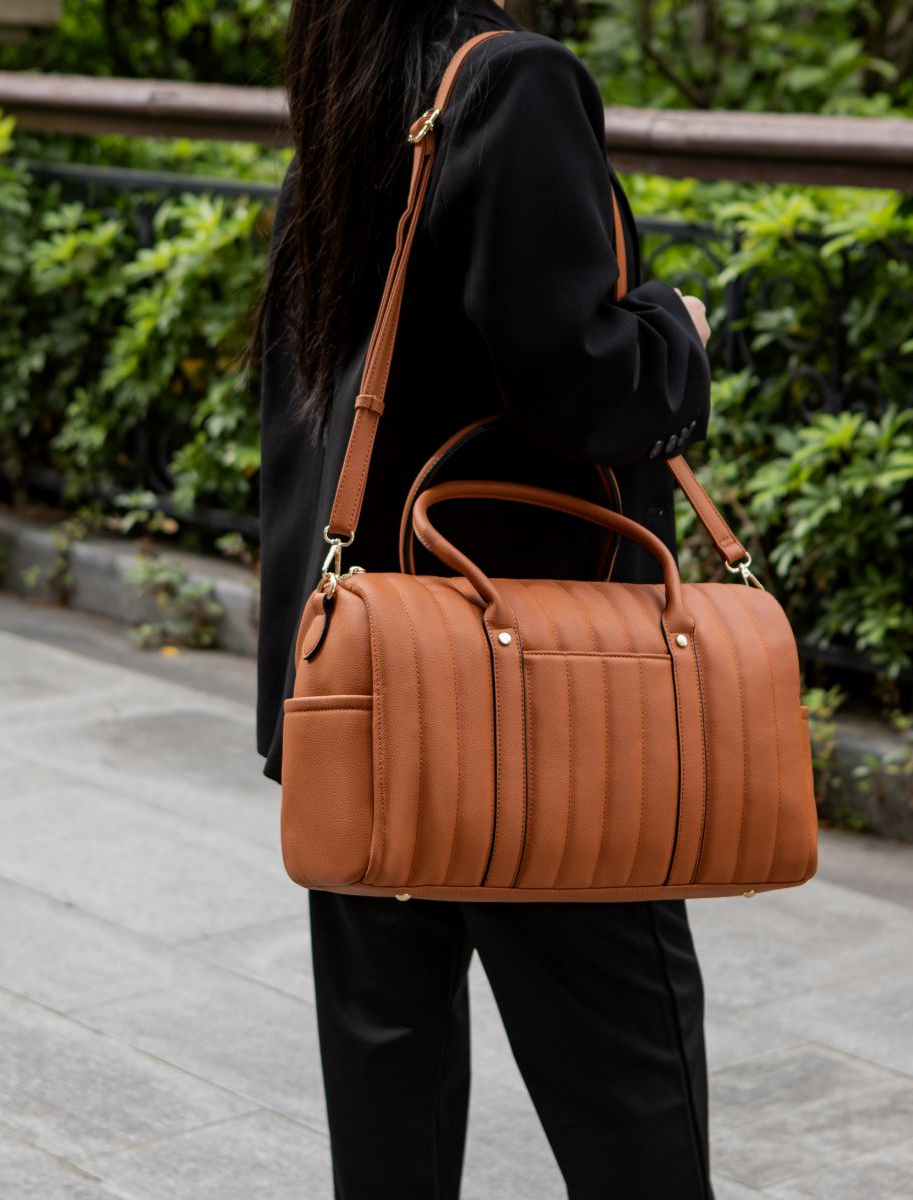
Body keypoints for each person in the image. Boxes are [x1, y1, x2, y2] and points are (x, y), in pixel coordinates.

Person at [254, 2, 717, 1196]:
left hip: (361, 683)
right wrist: (676, 333)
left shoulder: (354, 81)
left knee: (388, 1106)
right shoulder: (514, 82)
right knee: (630, 1103)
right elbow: (573, 384)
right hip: (535, 698)